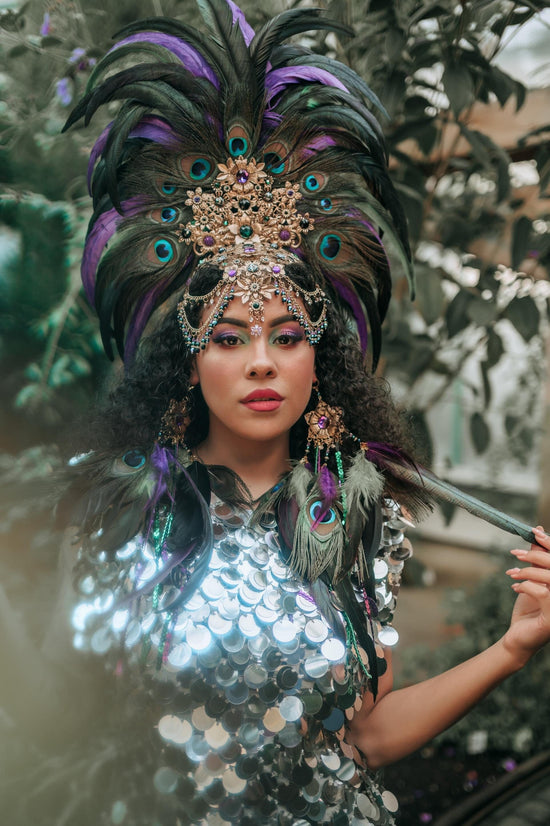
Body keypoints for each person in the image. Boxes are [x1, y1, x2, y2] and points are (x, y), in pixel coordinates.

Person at [3, 2, 550, 825]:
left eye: (286, 335)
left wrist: (512, 649)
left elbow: (360, 740)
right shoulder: (125, 505)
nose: (262, 360)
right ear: (188, 364)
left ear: (317, 357)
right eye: (229, 337)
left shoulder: (360, 514)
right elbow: (69, 723)